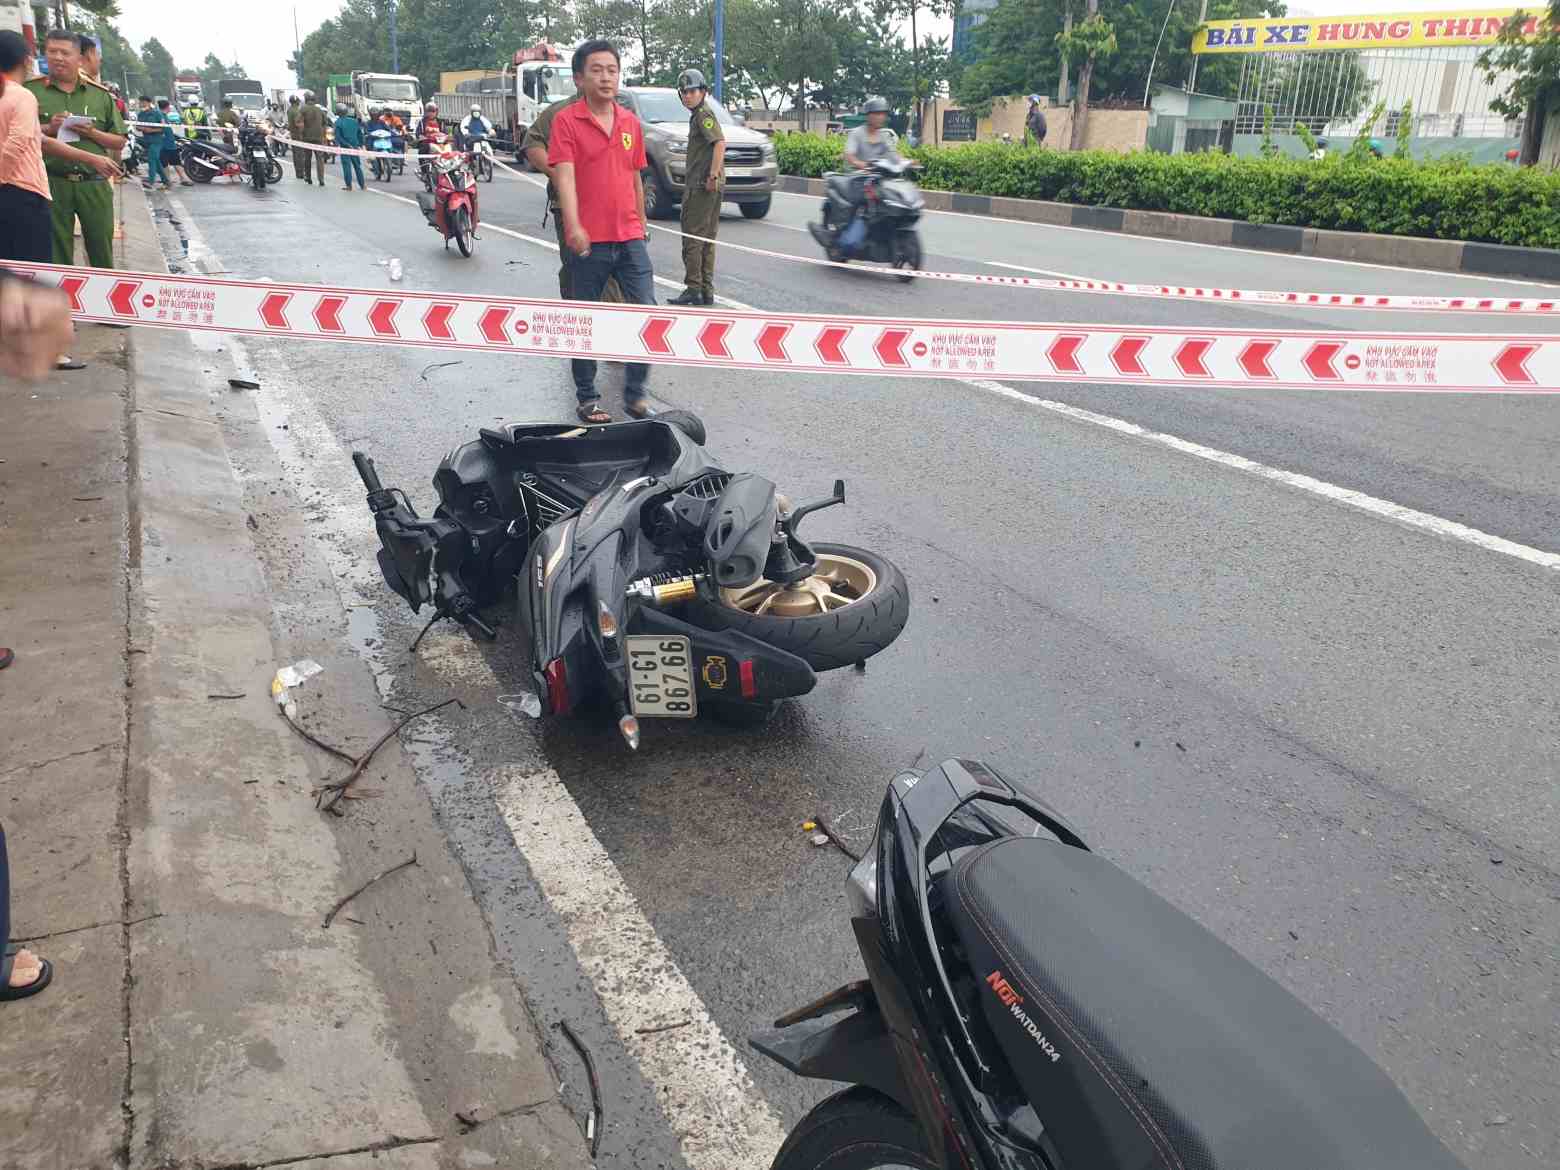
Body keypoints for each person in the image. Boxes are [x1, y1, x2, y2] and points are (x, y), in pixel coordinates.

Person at [549, 39, 656, 424]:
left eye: (612, 70)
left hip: (629, 237)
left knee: (649, 314)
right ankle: (588, 398)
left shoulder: (629, 123)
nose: (606, 77)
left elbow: (635, 177)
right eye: (597, 70)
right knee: (584, 321)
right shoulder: (567, 121)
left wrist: (641, 223)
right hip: (589, 240)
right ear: (580, 78)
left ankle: (635, 394)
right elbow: (564, 176)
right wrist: (574, 226)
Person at [27, 29, 125, 269]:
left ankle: (101, 302)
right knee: (56, 253)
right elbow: (21, 135)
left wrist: (91, 133)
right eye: (52, 52)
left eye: (65, 52)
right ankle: (61, 303)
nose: (58, 58)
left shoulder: (100, 96)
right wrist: (50, 127)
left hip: (93, 184)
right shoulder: (30, 92)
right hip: (51, 183)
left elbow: (119, 141)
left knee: (101, 250)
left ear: (79, 58)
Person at [522, 86, 622, 304]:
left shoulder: (618, 112)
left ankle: (609, 322)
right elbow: (532, 143)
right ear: (580, 78)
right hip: (571, 207)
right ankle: (579, 316)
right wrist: (555, 173)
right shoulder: (560, 112)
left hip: (611, 208)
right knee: (578, 266)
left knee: (611, 270)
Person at [667, 68, 724, 306]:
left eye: (692, 91)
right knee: (706, 239)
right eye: (684, 92)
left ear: (703, 92)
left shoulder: (703, 115)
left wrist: (712, 175)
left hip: (701, 186)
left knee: (692, 238)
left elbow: (719, 143)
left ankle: (693, 288)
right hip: (706, 186)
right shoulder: (700, 114)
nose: (688, 96)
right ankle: (705, 290)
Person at [842, 97, 899, 214]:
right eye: (877, 113)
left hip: (876, 179)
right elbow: (849, 155)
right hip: (857, 178)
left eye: (883, 114)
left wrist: (906, 162)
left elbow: (893, 154)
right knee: (862, 208)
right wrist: (861, 164)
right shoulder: (856, 133)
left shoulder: (885, 136)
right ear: (868, 115)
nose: (881, 117)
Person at [135, 95, 167, 188]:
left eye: (143, 102)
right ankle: (166, 181)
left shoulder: (157, 113)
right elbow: (137, 126)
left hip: (157, 140)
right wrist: (142, 128)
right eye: (140, 102)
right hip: (147, 141)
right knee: (156, 161)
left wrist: (151, 130)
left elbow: (163, 128)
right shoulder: (140, 114)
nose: (141, 104)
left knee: (151, 159)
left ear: (148, 103)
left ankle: (151, 181)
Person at [158, 99, 193, 185]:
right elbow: (162, 129)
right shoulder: (161, 116)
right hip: (164, 145)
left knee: (175, 161)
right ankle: (167, 180)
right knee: (166, 163)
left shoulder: (163, 116)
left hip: (170, 143)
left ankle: (182, 179)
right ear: (168, 107)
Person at [297, 91, 326, 186]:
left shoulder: (303, 109)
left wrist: (301, 134)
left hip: (307, 138)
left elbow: (299, 123)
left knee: (307, 158)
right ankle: (321, 179)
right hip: (319, 138)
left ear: (306, 99)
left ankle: (308, 177)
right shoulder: (320, 110)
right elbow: (325, 123)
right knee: (320, 159)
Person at [334, 102, 364, 190]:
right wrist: (360, 144)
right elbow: (359, 134)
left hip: (345, 148)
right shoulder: (354, 121)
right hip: (355, 146)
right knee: (357, 166)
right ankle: (362, 185)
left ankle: (349, 186)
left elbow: (338, 137)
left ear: (337, 112)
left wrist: (346, 145)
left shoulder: (338, 123)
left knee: (347, 166)